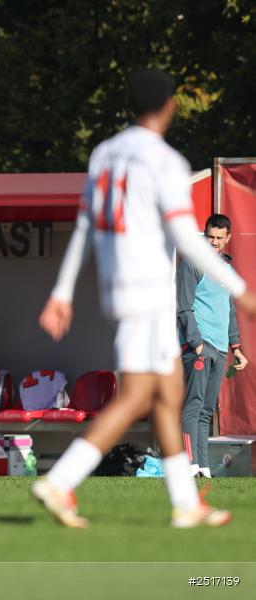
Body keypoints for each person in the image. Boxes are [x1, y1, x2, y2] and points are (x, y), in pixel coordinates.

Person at [34, 69, 256, 528]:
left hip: (120, 287)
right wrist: (239, 288)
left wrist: (62, 290)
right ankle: (60, 480)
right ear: (171, 105)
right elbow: (188, 239)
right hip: (150, 290)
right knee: (137, 396)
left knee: (168, 394)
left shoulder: (105, 153)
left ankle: (185, 503)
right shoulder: (165, 161)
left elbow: (85, 225)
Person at [177, 213, 248, 478]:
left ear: (227, 239)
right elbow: (183, 308)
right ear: (204, 236)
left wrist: (236, 348)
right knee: (193, 406)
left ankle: (204, 468)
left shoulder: (227, 270)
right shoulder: (191, 265)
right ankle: (190, 465)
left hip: (219, 350)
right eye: (210, 237)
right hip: (198, 347)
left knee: (207, 410)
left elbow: (229, 311)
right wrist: (195, 344)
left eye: (219, 238)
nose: (214, 242)